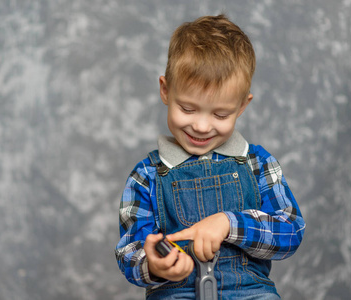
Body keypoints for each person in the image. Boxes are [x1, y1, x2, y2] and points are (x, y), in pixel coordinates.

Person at [115, 14, 305, 299]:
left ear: (242, 106)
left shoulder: (257, 164)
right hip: (176, 294)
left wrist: (229, 223)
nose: (202, 126)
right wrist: (154, 265)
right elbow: (130, 249)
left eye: (220, 114)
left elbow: (290, 231)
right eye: (188, 109)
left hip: (250, 293)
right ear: (165, 90)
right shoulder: (147, 175)